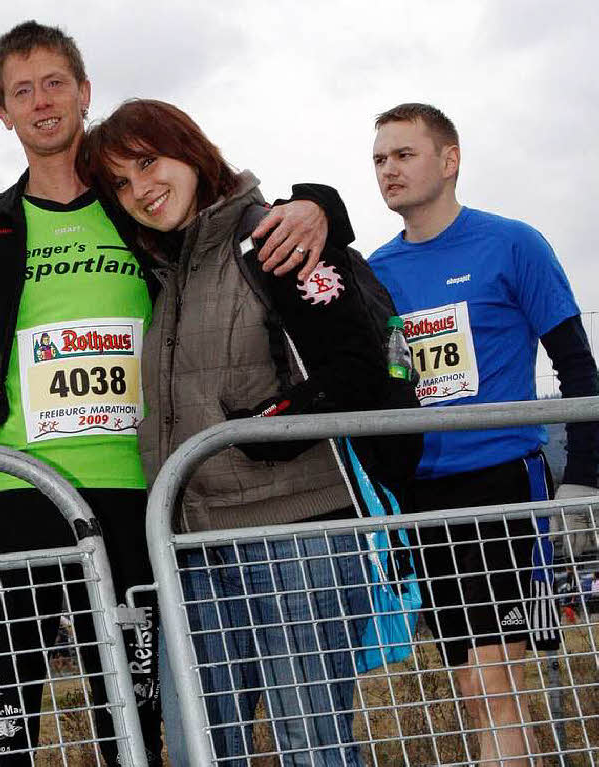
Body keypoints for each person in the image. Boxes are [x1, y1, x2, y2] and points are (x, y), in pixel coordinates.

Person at [0, 20, 334, 766]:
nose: (41, 101)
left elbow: (232, 227)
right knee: (4, 718)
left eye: (54, 83)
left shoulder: (141, 213)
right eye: (22, 90)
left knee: (135, 719)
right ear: (3, 113)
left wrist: (321, 204)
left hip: (137, 490)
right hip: (12, 488)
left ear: (84, 92)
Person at [80, 99, 419, 767]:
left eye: (149, 162)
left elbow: (356, 370)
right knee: (202, 746)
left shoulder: (269, 237)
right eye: (120, 182)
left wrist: (266, 432)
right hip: (196, 548)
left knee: (309, 742)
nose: (140, 189)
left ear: (191, 150)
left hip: (297, 537)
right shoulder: (169, 269)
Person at [368, 102, 599, 767]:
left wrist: (583, 475)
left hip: (504, 483)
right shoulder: (377, 271)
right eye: (379, 159)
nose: (389, 169)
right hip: (422, 496)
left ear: (450, 159)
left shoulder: (511, 244)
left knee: (494, 681)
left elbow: (578, 365)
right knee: (470, 685)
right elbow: (385, 382)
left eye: (404, 154)